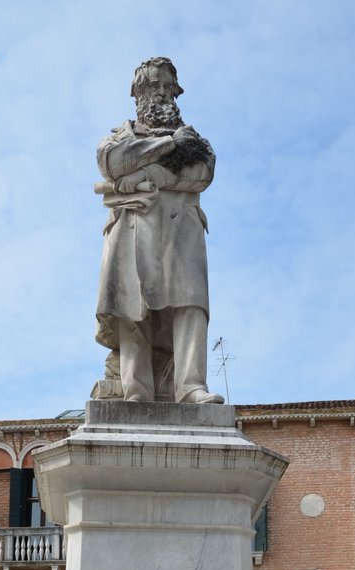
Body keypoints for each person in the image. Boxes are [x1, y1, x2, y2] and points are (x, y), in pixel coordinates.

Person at [94, 57, 224, 405]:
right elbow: (114, 163)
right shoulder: (118, 137)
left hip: (183, 230)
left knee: (191, 304)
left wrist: (142, 177)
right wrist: (169, 147)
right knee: (131, 306)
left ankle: (191, 386)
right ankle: (137, 390)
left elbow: (201, 173)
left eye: (168, 87)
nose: (163, 93)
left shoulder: (196, 141)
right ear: (138, 93)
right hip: (134, 228)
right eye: (154, 86)